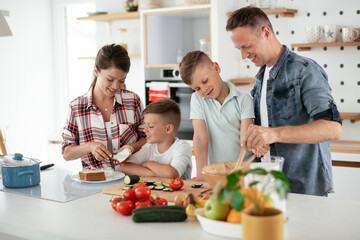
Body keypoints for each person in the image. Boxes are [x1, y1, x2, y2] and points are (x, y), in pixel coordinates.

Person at [226, 6, 342, 196]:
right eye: (239, 49)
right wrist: (257, 139)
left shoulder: (305, 70)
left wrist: (273, 134)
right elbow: (270, 130)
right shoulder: (262, 77)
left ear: (266, 32)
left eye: (246, 46)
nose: (243, 56)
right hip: (270, 188)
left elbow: (333, 129)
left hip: (305, 190)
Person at [179, 51, 266, 181]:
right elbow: (200, 138)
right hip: (216, 173)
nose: (203, 89)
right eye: (197, 88)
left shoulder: (244, 100)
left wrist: (254, 144)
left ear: (216, 68)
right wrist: (200, 174)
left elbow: (245, 138)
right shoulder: (197, 100)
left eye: (205, 81)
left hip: (244, 173)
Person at [62, 44, 146, 169]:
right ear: (96, 71)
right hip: (94, 182)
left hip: (130, 179)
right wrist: (90, 146)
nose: (116, 86)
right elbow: (66, 153)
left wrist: (132, 148)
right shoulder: (77, 107)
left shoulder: (133, 101)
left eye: (121, 81)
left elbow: (148, 138)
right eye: (110, 79)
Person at [120, 98, 192, 179]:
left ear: (168, 129)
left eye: (150, 126)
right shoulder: (149, 147)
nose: (144, 130)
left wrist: (150, 164)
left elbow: (172, 174)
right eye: (145, 125)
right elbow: (124, 167)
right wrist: (153, 173)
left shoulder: (182, 147)